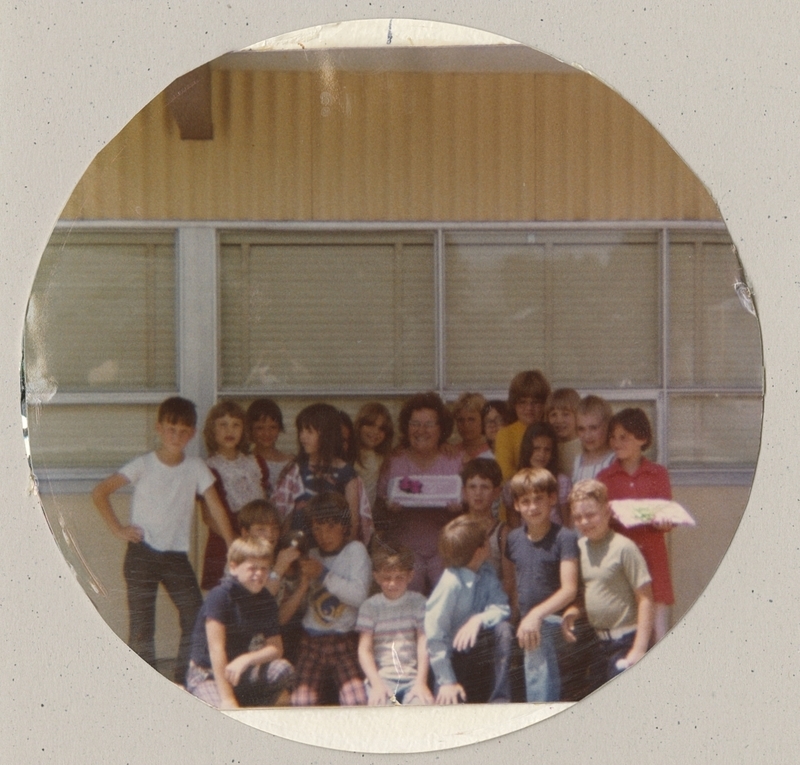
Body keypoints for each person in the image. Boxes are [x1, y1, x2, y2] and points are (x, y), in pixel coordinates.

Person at [91, 396, 235, 683]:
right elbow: (100, 492)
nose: (176, 436)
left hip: (175, 556)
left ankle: (184, 679)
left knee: (195, 613)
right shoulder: (144, 464)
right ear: (159, 428)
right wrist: (119, 529)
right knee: (142, 624)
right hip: (142, 553)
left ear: (192, 433)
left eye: (183, 431)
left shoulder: (196, 467)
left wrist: (234, 545)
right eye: (171, 429)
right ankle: (144, 684)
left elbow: (216, 506)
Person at [562, 480, 654, 686]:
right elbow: (592, 592)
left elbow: (646, 599)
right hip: (598, 644)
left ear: (607, 511)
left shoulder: (623, 548)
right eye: (578, 517)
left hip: (626, 641)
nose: (585, 522)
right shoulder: (579, 548)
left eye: (591, 514)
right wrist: (574, 610)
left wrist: (639, 649)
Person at [185, 537, 295, 709]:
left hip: (238, 671)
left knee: (282, 669)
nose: (259, 574)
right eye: (252, 568)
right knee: (224, 714)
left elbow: (276, 648)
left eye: (264, 569)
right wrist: (228, 699)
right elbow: (216, 650)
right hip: (209, 672)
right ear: (234, 567)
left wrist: (247, 659)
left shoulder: (265, 599)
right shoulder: (221, 596)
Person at [597, 407, 675, 643]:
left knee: (658, 631)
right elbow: (600, 524)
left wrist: (664, 522)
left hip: (652, 556)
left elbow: (667, 515)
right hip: (621, 559)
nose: (616, 442)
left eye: (624, 437)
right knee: (626, 630)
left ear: (642, 438)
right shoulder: (604, 477)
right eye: (613, 437)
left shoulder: (657, 473)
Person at [376, 392, 464, 595]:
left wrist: (458, 511)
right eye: (415, 423)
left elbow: (469, 509)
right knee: (409, 589)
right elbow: (379, 509)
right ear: (406, 428)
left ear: (441, 429)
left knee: (448, 593)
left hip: (444, 549)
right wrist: (389, 511)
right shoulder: (394, 461)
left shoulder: (454, 460)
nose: (421, 430)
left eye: (429, 424)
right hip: (405, 548)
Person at [503, 468, 579, 702]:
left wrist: (535, 615)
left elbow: (569, 589)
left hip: (558, 621)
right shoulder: (514, 539)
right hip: (527, 621)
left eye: (539, 499)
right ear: (516, 505)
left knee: (537, 633)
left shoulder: (564, 537)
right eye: (525, 501)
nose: (533, 507)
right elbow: (511, 584)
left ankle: (539, 713)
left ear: (552, 499)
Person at [291, 492, 371, 706]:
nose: (323, 535)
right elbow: (300, 605)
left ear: (344, 526)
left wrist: (324, 575)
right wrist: (302, 581)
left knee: (357, 701)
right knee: (301, 702)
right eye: (317, 528)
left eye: (330, 527)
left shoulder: (355, 550)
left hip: (343, 640)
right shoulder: (313, 554)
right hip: (311, 640)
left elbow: (359, 596)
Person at [425, 515, 513, 704]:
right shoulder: (450, 583)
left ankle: (500, 701)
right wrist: (446, 681)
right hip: (451, 663)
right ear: (479, 551)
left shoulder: (486, 572)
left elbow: (502, 607)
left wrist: (477, 619)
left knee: (504, 629)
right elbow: (435, 636)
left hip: (478, 655)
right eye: (486, 541)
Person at [200, 400, 270, 590]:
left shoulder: (256, 464)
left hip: (259, 541)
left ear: (244, 430)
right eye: (222, 425)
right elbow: (208, 516)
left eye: (235, 425)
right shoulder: (209, 468)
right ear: (212, 431)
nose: (229, 431)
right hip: (225, 543)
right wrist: (235, 544)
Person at [356, 544, 433, 705]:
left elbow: (424, 643)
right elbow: (364, 649)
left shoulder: (419, 603)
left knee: (422, 708)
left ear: (410, 576)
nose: (393, 583)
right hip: (381, 678)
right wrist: (376, 683)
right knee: (381, 710)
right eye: (387, 578)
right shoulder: (370, 607)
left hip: (412, 678)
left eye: (399, 577)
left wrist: (421, 682)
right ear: (376, 577)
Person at [273, 403, 360, 540]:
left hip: (332, 548)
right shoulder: (296, 469)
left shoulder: (346, 472)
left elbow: (351, 518)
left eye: (309, 431)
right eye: (301, 431)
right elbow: (286, 515)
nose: (302, 437)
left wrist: (345, 547)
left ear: (327, 434)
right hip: (299, 545)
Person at [493, 370, 552, 484]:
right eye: (522, 402)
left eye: (535, 402)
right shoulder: (506, 434)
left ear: (545, 404)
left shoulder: (549, 431)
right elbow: (505, 474)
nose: (529, 408)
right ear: (514, 404)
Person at [517, 421, 571, 525]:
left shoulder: (561, 481)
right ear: (527, 448)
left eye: (547, 450)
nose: (542, 454)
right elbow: (514, 525)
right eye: (536, 449)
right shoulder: (515, 483)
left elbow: (567, 522)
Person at [353, 401, 394, 509]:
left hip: (368, 515)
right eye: (370, 425)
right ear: (359, 425)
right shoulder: (350, 453)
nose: (375, 431)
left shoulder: (381, 456)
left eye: (381, 429)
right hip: (349, 513)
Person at [246, 398, 292, 484]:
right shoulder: (245, 461)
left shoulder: (290, 463)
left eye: (273, 427)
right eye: (260, 428)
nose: (267, 433)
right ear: (250, 430)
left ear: (279, 429)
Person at [572, 395, 615, 482]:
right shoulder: (578, 461)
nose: (587, 435)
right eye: (581, 429)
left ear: (607, 426)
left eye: (593, 428)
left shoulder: (613, 460)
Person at [545, 388, 582, 483]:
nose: (559, 420)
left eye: (565, 414)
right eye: (553, 415)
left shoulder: (584, 443)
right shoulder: (548, 446)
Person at [452, 392, 493, 460]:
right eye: (460, 420)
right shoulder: (451, 452)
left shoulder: (493, 452)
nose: (466, 425)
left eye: (471, 419)